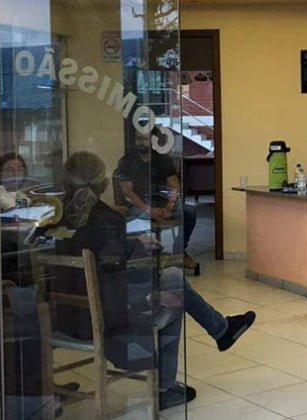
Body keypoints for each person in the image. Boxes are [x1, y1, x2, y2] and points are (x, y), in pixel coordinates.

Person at [53, 151, 255, 410]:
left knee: (173, 280)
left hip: (66, 318)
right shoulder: (109, 220)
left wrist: (130, 242)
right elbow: (129, 278)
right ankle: (167, 386)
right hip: (110, 321)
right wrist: (142, 255)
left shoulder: (55, 217)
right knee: (174, 286)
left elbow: (96, 251)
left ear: (66, 181)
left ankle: (221, 330)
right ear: (101, 183)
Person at [115, 126, 199, 269]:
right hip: (139, 206)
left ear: (152, 140)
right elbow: (128, 192)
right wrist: (149, 210)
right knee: (133, 219)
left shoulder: (162, 160)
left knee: (189, 212)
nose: (140, 142)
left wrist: (169, 208)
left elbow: (175, 187)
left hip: (162, 204)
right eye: (138, 138)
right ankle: (143, 255)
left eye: (144, 138)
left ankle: (180, 250)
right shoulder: (127, 162)